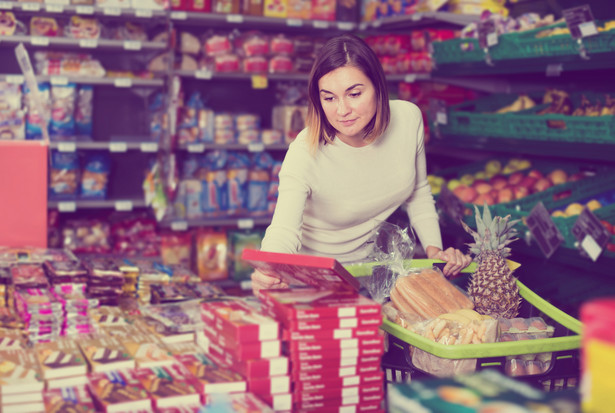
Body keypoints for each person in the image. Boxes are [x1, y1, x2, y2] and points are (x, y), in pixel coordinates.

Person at [252, 34, 471, 294]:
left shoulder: (408, 119)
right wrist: (268, 269)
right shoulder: (305, 152)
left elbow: (418, 192)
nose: (342, 110)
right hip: (312, 284)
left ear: (378, 87)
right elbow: (284, 230)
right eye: (329, 98)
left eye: (354, 94)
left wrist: (436, 250)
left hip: (369, 277)